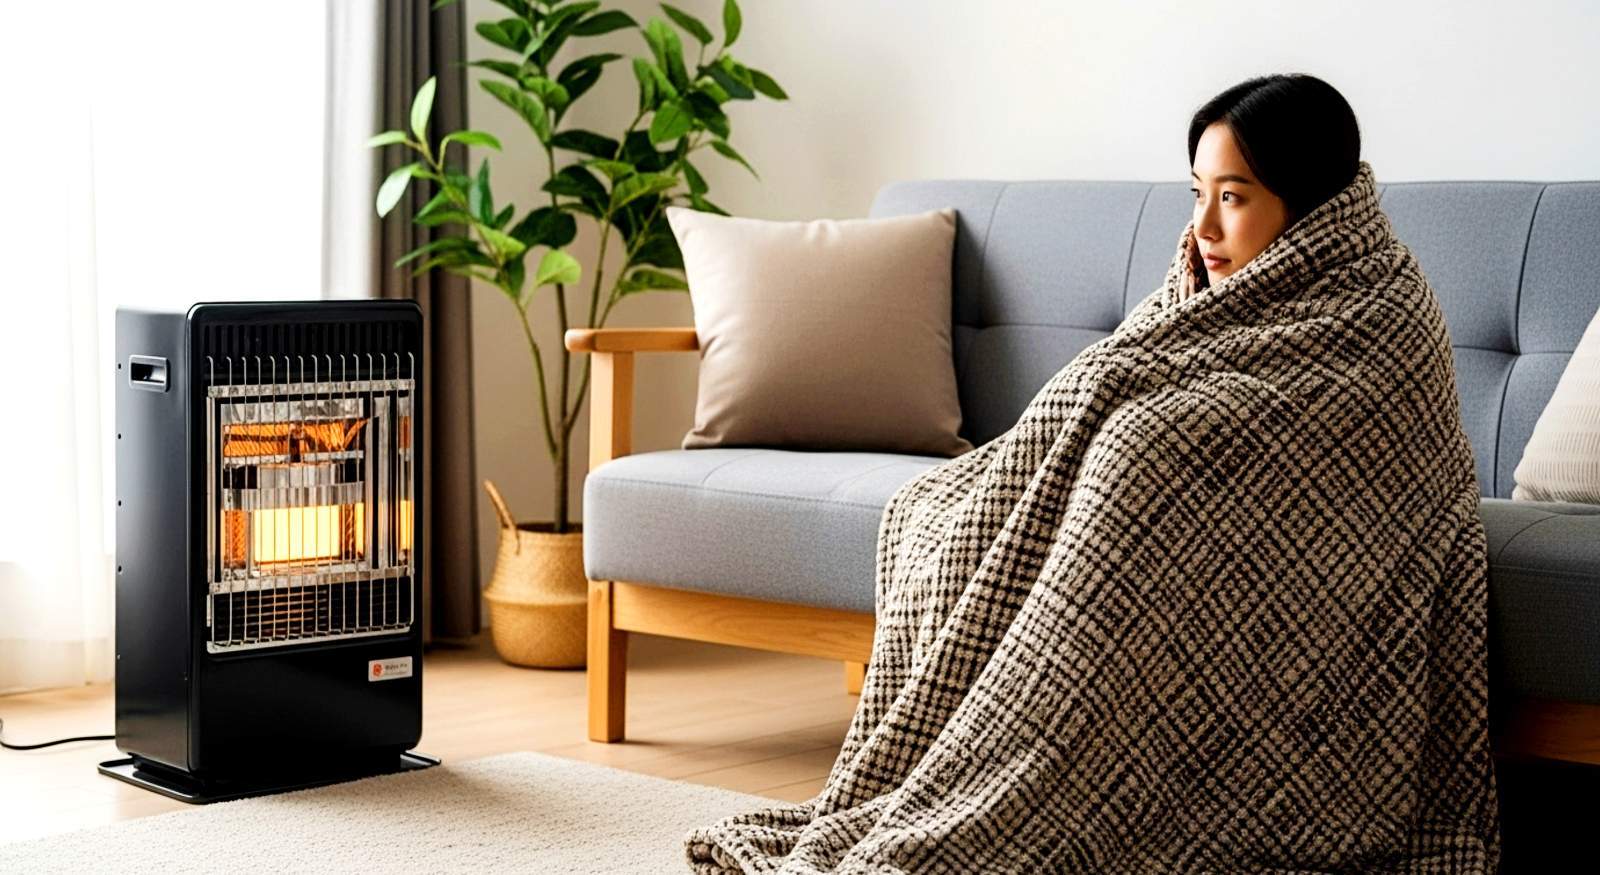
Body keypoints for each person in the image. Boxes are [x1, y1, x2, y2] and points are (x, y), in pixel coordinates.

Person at [1180, 74, 1362, 301]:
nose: (1203, 229)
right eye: (1199, 193)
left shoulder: (1373, 323)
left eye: (1229, 197)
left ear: (1310, 208)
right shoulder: (1173, 306)